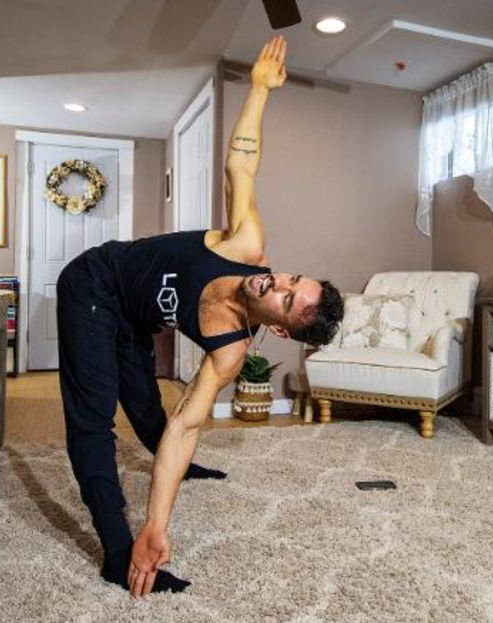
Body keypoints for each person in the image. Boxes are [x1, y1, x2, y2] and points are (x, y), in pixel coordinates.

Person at [54, 35, 344, 599]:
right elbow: (242, 164)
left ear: (279, 329)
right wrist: (259, 90)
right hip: (93, 281)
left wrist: (158, 525)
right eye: (291, 278)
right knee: (93, 417)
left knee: (144, 398)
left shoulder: (229, 350)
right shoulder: (246, 244)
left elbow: (188, 425)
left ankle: (170, 490)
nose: (277, 281)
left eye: (286, 298)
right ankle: (117, 554)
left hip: (134, 316)